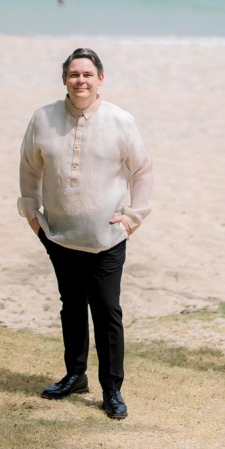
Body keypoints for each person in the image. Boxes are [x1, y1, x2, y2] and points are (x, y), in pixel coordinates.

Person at [18, 46, 153, 419]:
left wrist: (132, 218)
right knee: (71, 308)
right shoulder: (42, 119)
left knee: (107, 311)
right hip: (58, 235)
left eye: (87, 75)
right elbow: (29, 169)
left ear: (100, 80)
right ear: (65, 79)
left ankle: (112, 389)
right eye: (74, 74)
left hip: (107, 239)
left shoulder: (120, 120)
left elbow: (142, 170)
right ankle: (75, 375)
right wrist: (33, 216)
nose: (81, 81)